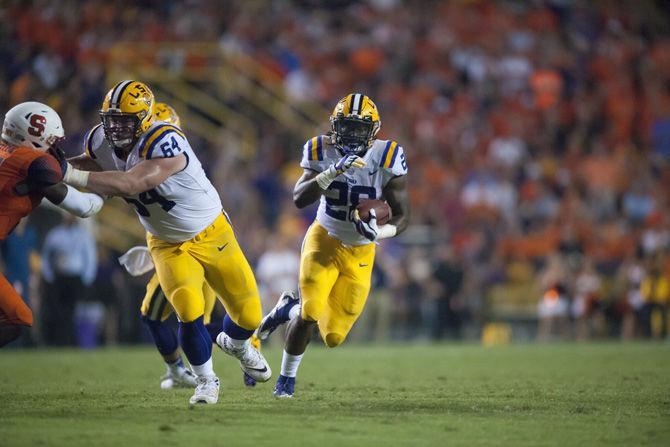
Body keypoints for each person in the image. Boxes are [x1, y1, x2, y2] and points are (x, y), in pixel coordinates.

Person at [62, 81, 271, 404]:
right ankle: (205, 381)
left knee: (249, 316)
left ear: (144, 119)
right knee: (188, 310)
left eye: (125, 120)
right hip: (166, 242)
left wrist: (67, 174)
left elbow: (135, 182)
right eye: (111, 119)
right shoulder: (101, 140)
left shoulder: (166, 140)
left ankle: (240, 345)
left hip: (212, 232)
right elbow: (92, 163)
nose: (116, 128)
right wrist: (50, 167)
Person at [256, 93, 410, 397]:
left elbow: (404, 217)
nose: (351, 135)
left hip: (361, 250)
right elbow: (300, 199)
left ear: (374, 130)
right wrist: (332, 170)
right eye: (346, 127)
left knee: (333, 336)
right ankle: (286, 380)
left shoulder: (388, 156)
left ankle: (287, 309)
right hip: (324, 238)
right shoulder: (320, 149)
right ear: (334, 126)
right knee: (311, 311)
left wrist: (376, 233)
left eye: (358, 128)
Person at [0, 102, 104, 347]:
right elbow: (83, 207)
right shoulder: (33, 163)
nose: (54, 146)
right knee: (18, 319)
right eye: (52, 140)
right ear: (35, 136)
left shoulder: (10, 154)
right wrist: (109, 191)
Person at [41, 213, 97, 346]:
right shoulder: (55, 234)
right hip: (60, 276)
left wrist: (87, 278)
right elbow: (46, 256)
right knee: (59, 309)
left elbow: (90, 257)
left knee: (73, 310)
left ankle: (71, 340)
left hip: (76, 277)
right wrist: (49, 276)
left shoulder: (83, 235)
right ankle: (60, 340)